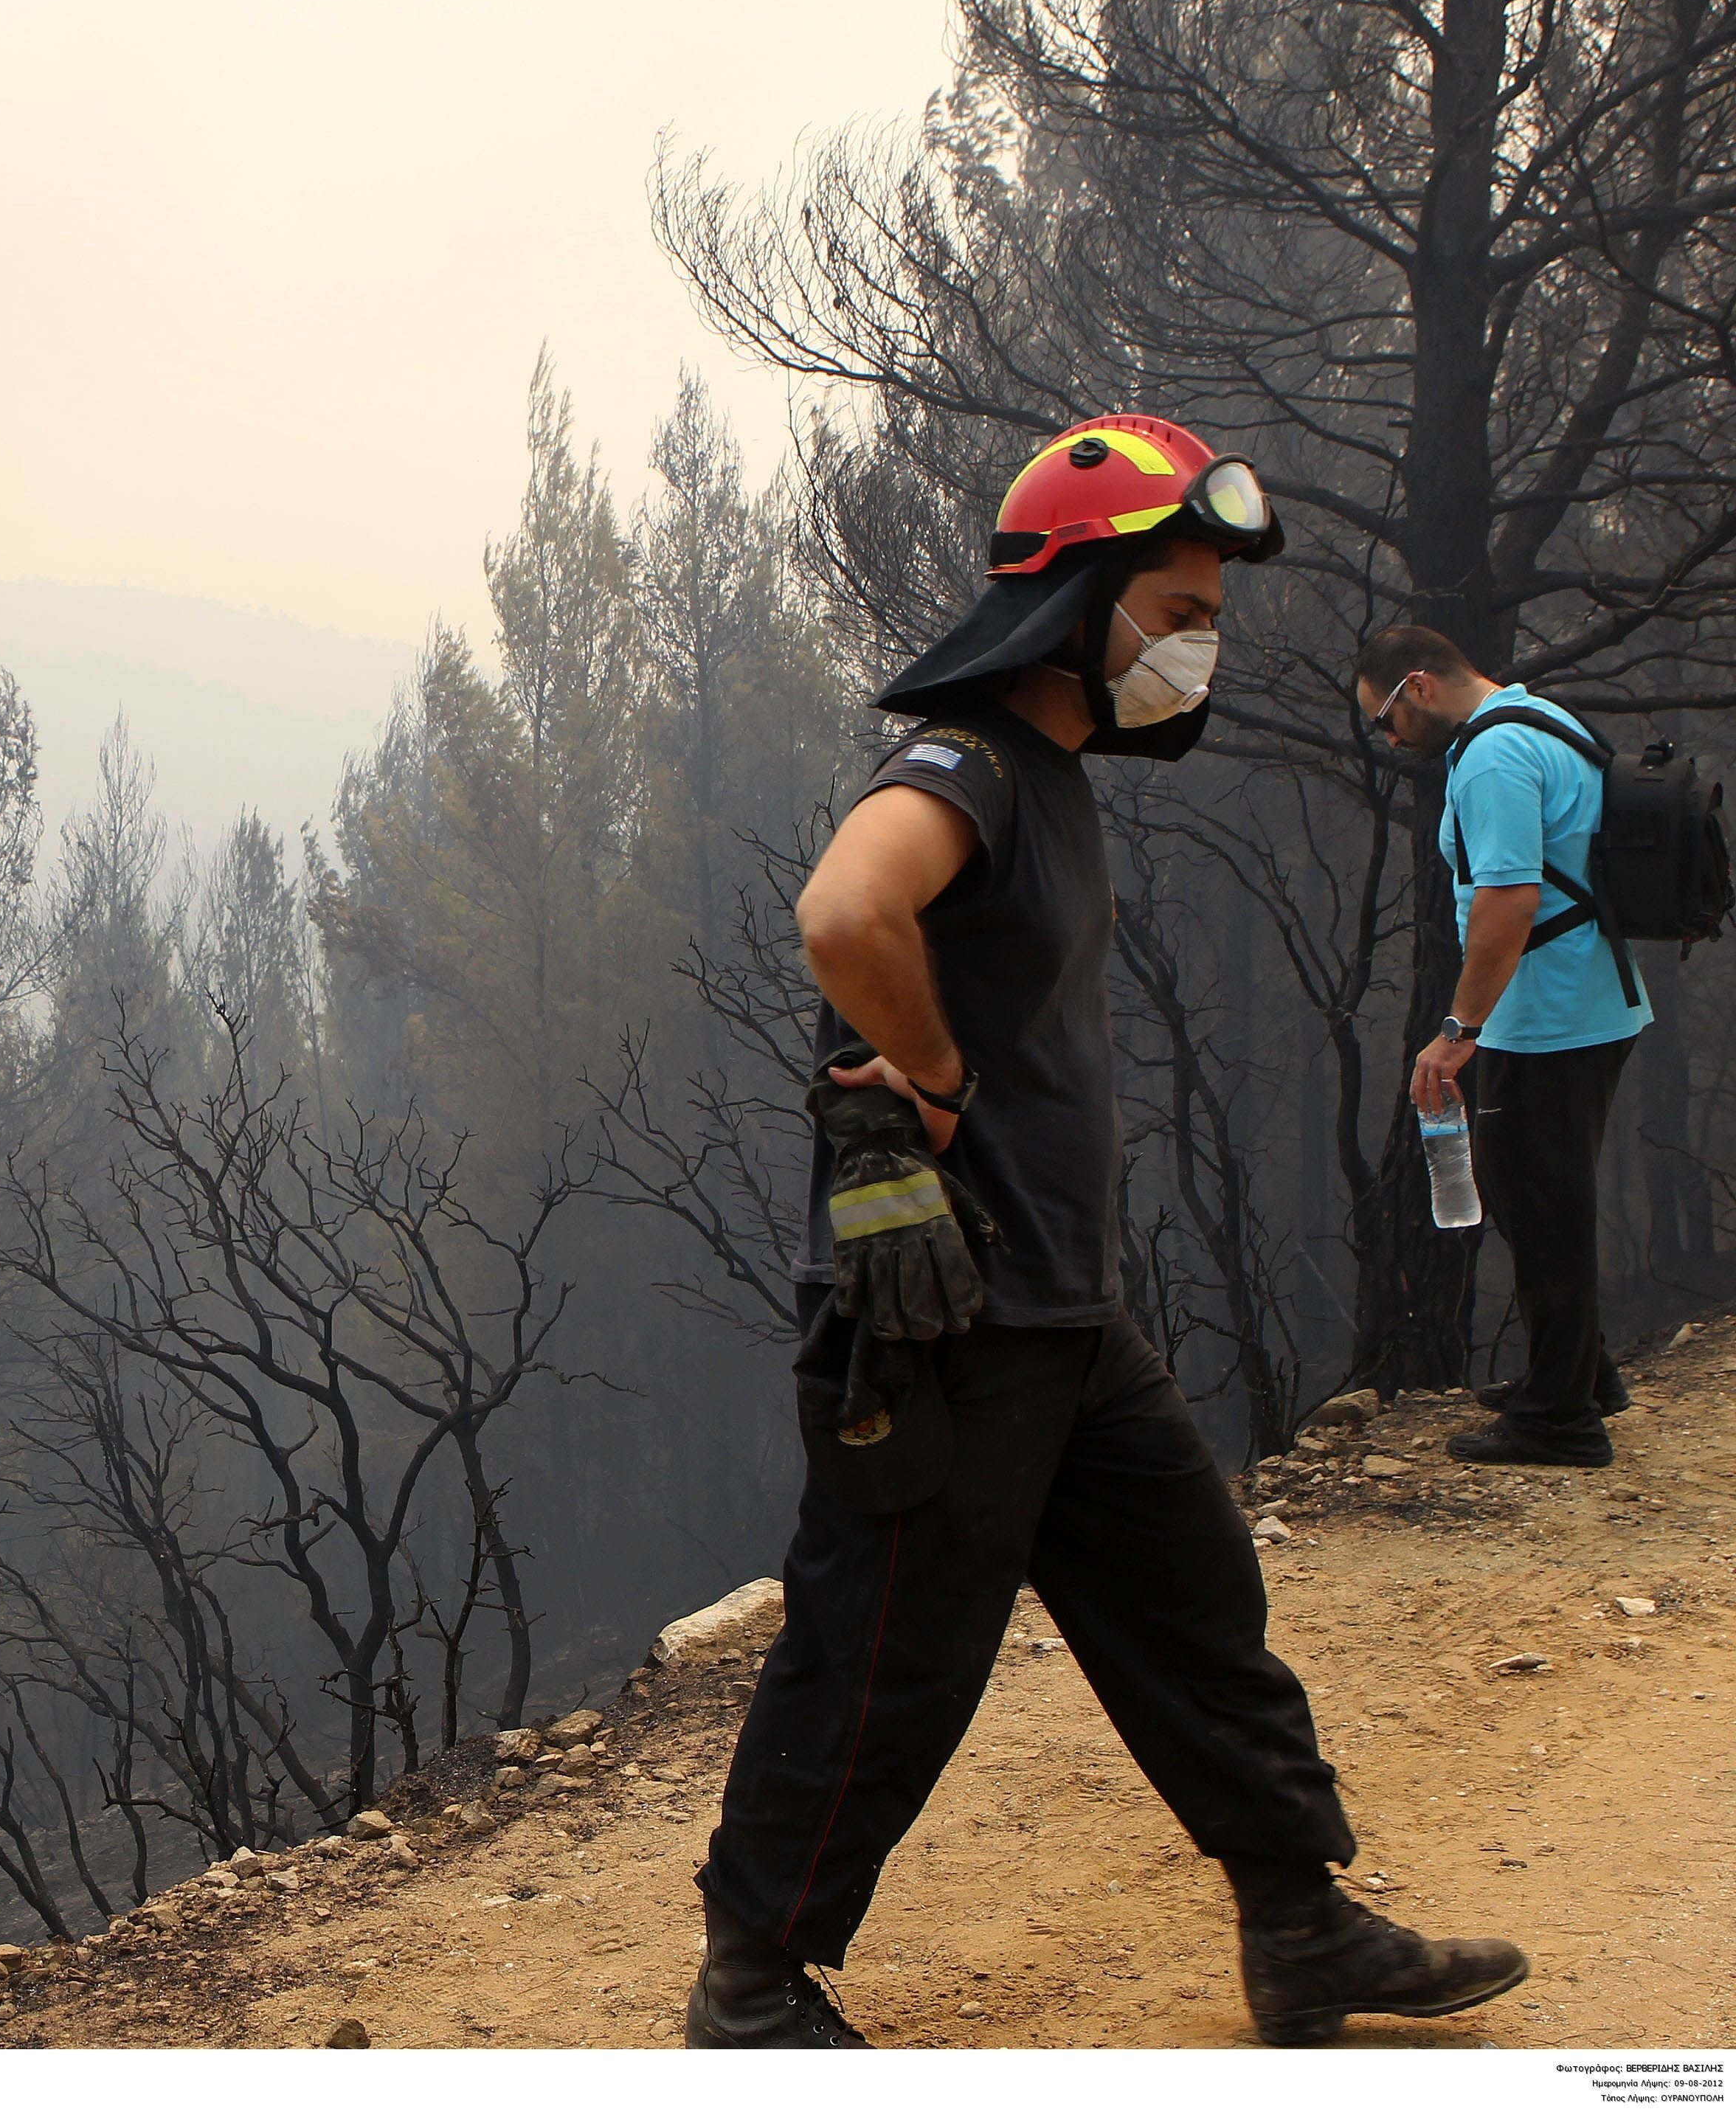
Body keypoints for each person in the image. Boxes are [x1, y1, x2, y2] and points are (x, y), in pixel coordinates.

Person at [685, 417, 1529, 2050]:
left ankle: (1299, 1924)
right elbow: (844, 911)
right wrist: (934, 1078)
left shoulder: (1054, 780)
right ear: (1077, 601)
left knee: (1197, 1605)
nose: (1201, 641)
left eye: (1209, 613)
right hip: (947, 1322)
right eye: (1182, 608)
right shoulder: (967, 764)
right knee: (889, 1655)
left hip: (1063, 1309)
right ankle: (752, 1987)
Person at [1355, 627, 1648, 1469]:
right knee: (1533, 1201)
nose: (1388, 739)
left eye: (1384, 718)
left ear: (1418, 686)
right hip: (1587, 998)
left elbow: (1509, 899)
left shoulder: (1492, 756)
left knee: (1544, 1210)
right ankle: (1580, 1375)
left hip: (1549, 1015)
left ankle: (1559, 1421)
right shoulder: (1542, 720)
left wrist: (1459, 1031)